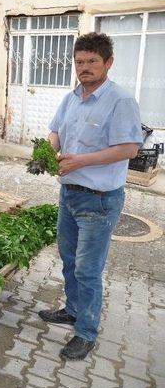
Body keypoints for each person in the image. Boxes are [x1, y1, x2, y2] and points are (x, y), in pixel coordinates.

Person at [38, 33, 142, 360]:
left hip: (99, 200)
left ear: (108, 63)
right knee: (69, 260)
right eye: (79, 61)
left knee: (88, 269)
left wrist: (80, 160)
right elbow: (55, 131)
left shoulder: (121, 101)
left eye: (92, 61)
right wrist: (46, 151)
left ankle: (86, 332)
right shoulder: (72, 98)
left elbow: (130, 148)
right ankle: (72, 309)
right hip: (69, 194)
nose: (84, 67)